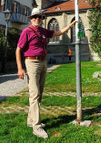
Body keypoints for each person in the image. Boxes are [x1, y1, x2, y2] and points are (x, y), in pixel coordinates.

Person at [16, 8, 76, 139]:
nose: (37, 19)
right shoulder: (26, 31)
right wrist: (20, 68)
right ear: (31, 19)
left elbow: (58, 33)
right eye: (34, 17)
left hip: (43, 62)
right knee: (34, 93)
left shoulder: (43, 31)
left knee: (39, 93)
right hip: (31, 63)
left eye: (39, 17)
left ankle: (30, 120)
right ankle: (36, 127)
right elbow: (18, 49)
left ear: (42, 19)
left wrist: (70, 26)